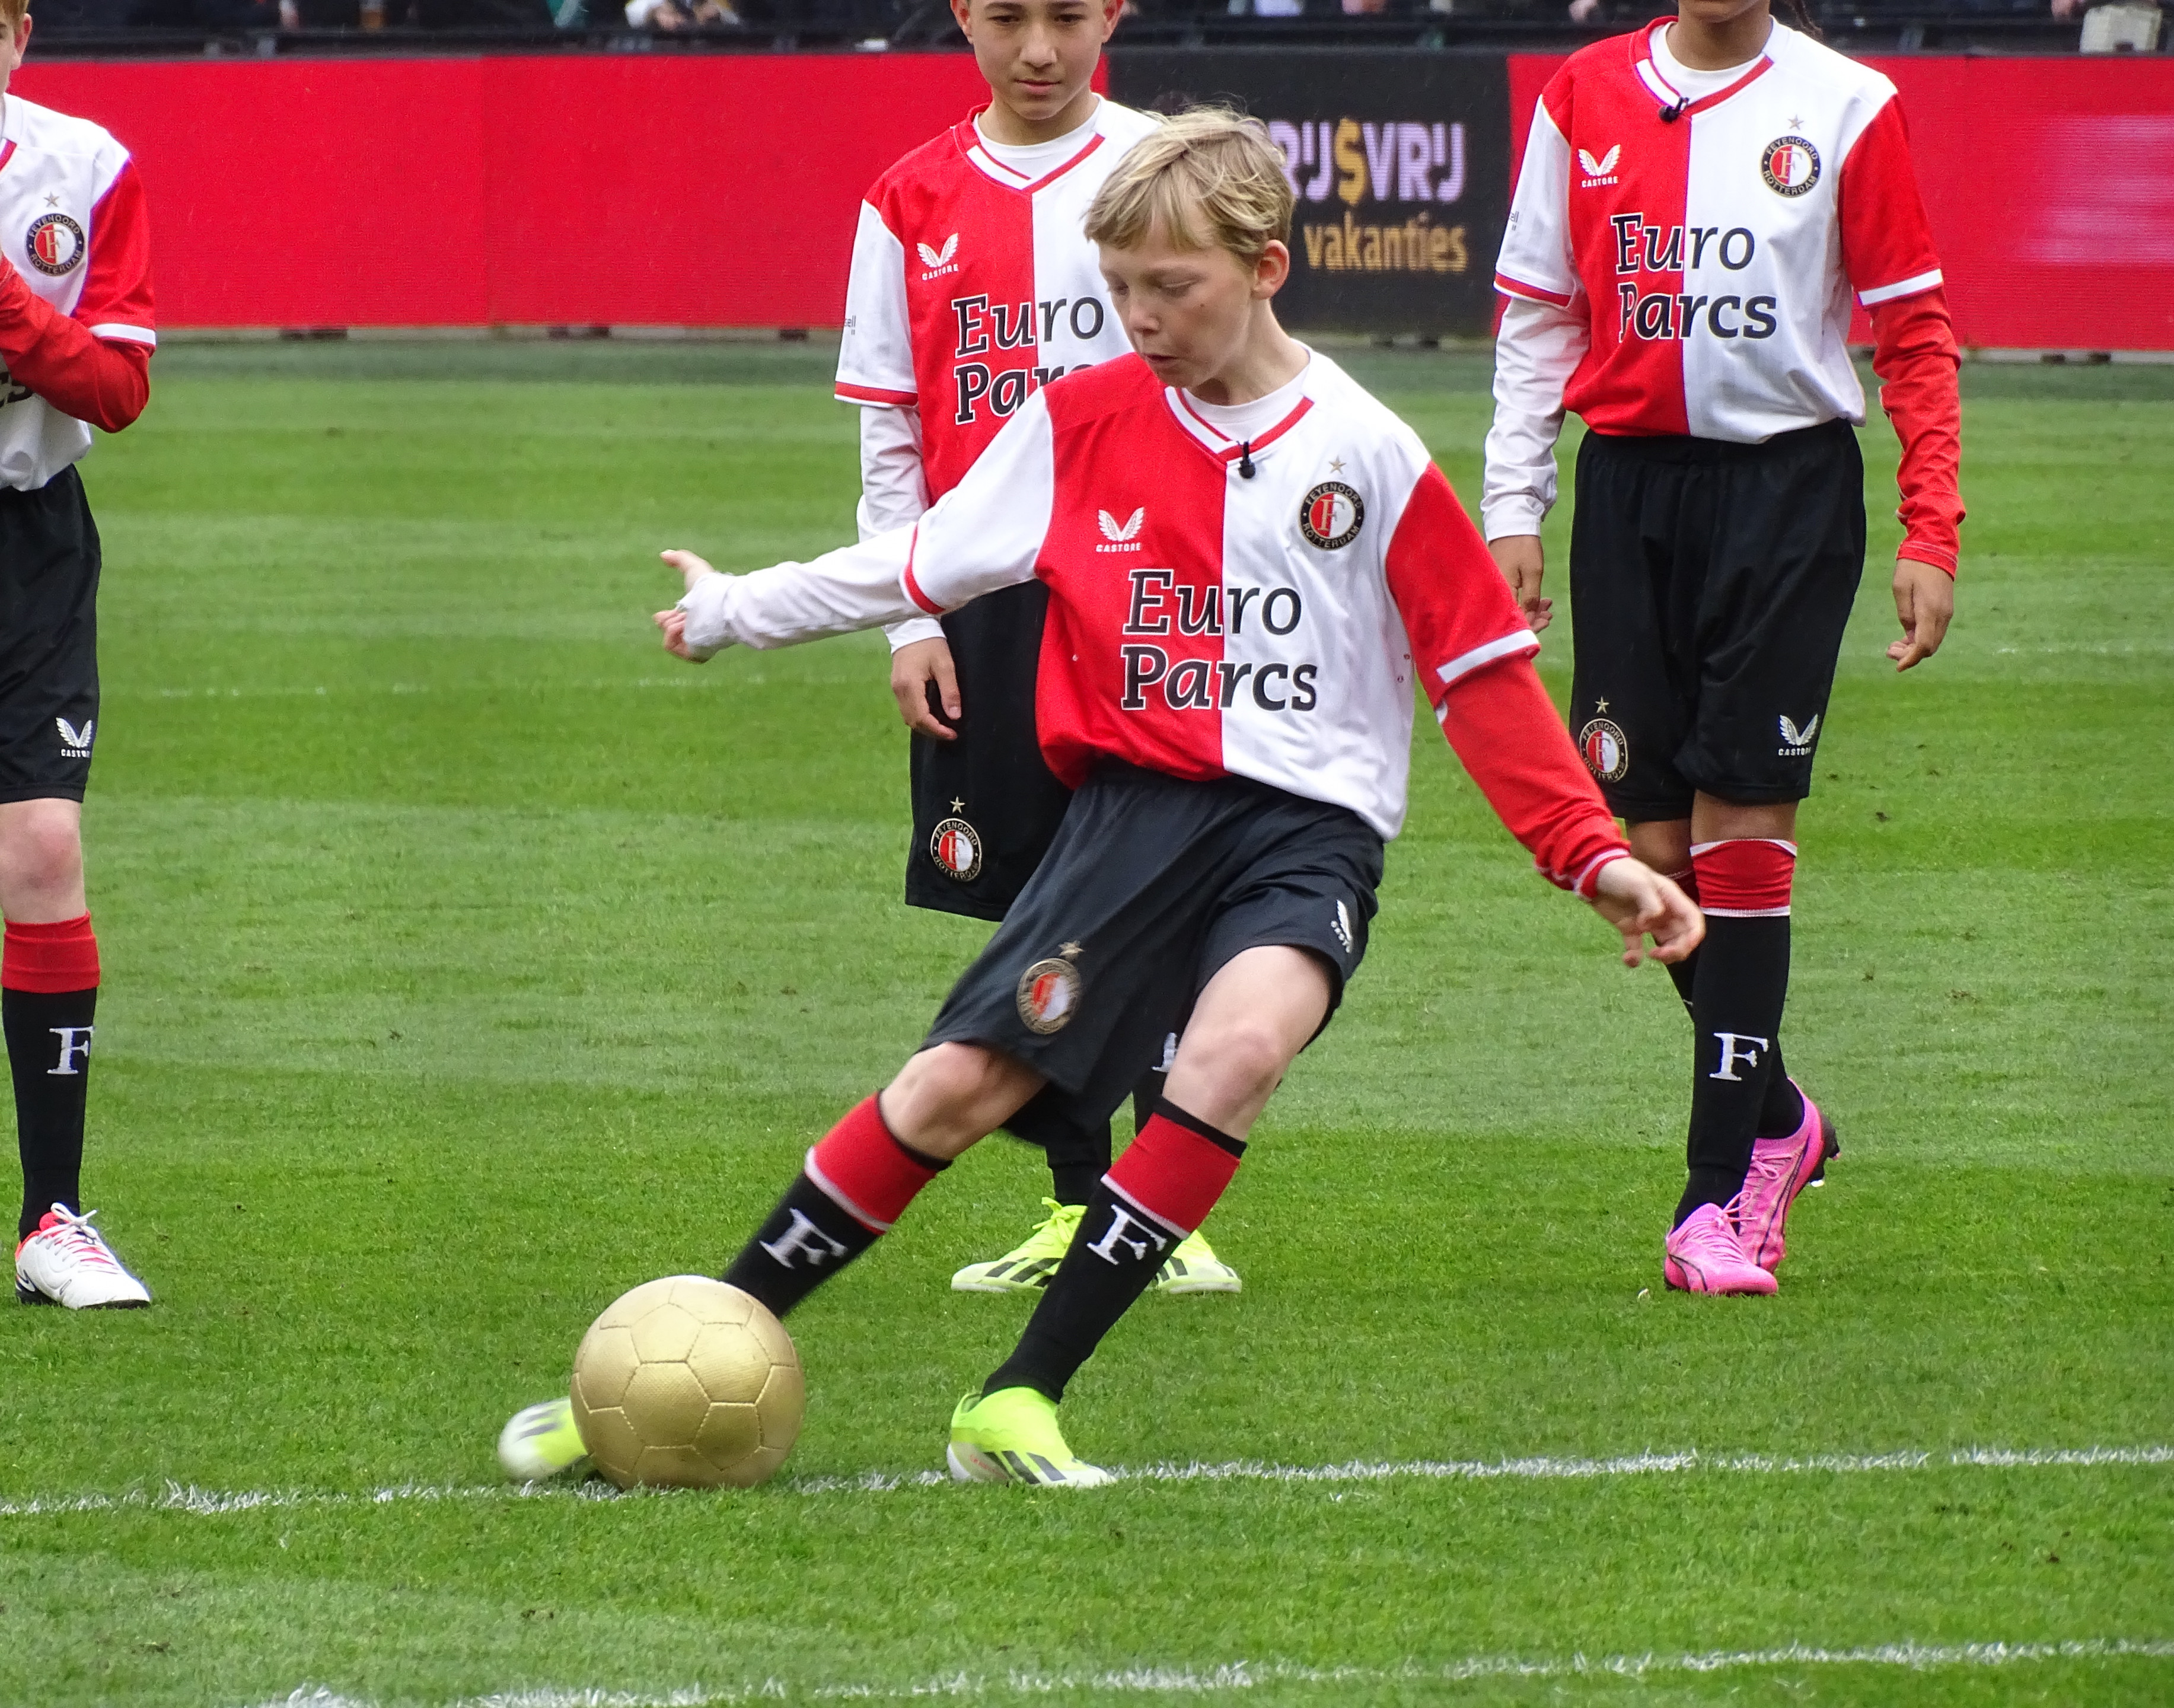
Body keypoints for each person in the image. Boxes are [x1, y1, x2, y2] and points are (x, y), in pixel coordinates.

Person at [615, 110, 1701, 1484]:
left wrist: (1590, 853)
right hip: (1130, 818)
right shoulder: (1075, 425)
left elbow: (1482, 676)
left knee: (1236, 1055)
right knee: (954, 1088)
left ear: (1265, 266)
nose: (1140, 317)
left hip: (1307, 838)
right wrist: (730, 613)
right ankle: (712, 1333)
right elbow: (917, 563)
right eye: (1119, 288)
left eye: (1170, 287)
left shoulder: (1368, 453)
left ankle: (1018, 1400)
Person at [1483, 0, 1962, 1294]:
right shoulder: (1583, 96)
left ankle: (1717, 1200)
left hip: (1787, 499)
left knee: (1745, 832)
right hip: (1631, 493)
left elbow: (1911, 332)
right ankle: (1781, 1118)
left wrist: (1934, 524)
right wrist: (1514, 506)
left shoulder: (1849, 104)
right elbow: (1537, 317)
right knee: (1647, 852)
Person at [833, 0, 1239, 1298]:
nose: (1040, 49)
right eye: (1008, 18)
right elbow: (895, 432)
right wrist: (910, 619)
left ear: (1112, 11)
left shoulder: (1157, 176)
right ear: (965, 16)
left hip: (1147, 583)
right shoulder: (907, 200)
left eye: (1068, 16)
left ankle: (1165, 1209)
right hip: (989, 600)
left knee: (1169, 885)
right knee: (1031, 904)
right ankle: (1080, 1207)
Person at [0, 0, 161, 1307]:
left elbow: (117, 386)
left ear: (19, 34)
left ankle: (53, 1220)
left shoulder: (86, 169)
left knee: (45, 851)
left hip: (31, 543)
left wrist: (8, 317)